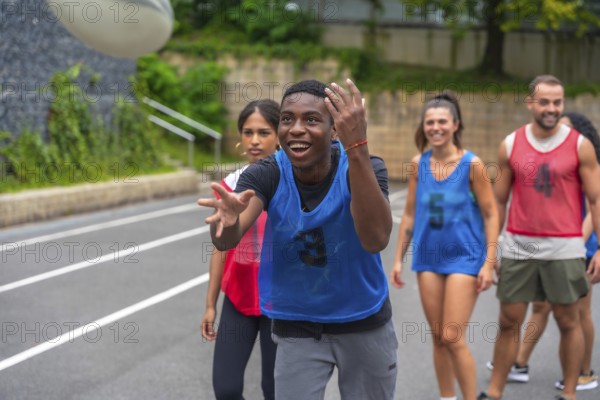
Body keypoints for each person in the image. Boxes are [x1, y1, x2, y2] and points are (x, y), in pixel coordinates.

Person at [198, 79, 398, 400]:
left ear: (335, 131)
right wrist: (227, 222)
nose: (296, 128)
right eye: (288, 119)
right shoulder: (266, 173)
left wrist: (357, 146)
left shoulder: (363, 167)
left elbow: (375, 239)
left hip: (362, 319)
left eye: (312, 119)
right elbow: (226, 240)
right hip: (297, 323)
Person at [478, 75, 600, 400]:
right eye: (544, 102)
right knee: (509, 320)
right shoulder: (510, 144)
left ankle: (570, 393)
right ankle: (493, 392)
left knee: (568, 320)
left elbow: (596, 200)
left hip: (565, 247)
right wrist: (492, 252)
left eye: (557, 102)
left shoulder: (579, 145)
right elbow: (498, 203)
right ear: (530, 103)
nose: (551, 108)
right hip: (520, 246)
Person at [390, 92, 498, 400]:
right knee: (438, 337)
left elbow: (491, 214)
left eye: (442, 121)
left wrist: (489, 263)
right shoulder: (418, 164)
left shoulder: (472, 164)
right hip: (428, 258)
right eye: (429, 122)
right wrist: (398, 259)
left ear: (455, 125)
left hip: (465, 258)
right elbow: (409, 213)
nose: (435, 127)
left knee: (452, 336)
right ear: (423, 126)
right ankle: (446, 396)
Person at [201, 99, 280, 400]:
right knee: (227, 388)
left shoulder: (294, 182)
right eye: (248, 132)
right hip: (239, 297)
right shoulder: (230, 184)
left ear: (280, 135)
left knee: (275, 390)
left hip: (281, 302)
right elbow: (220, 248)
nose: (255, 140)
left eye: (264, 132)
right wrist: (211, 304)